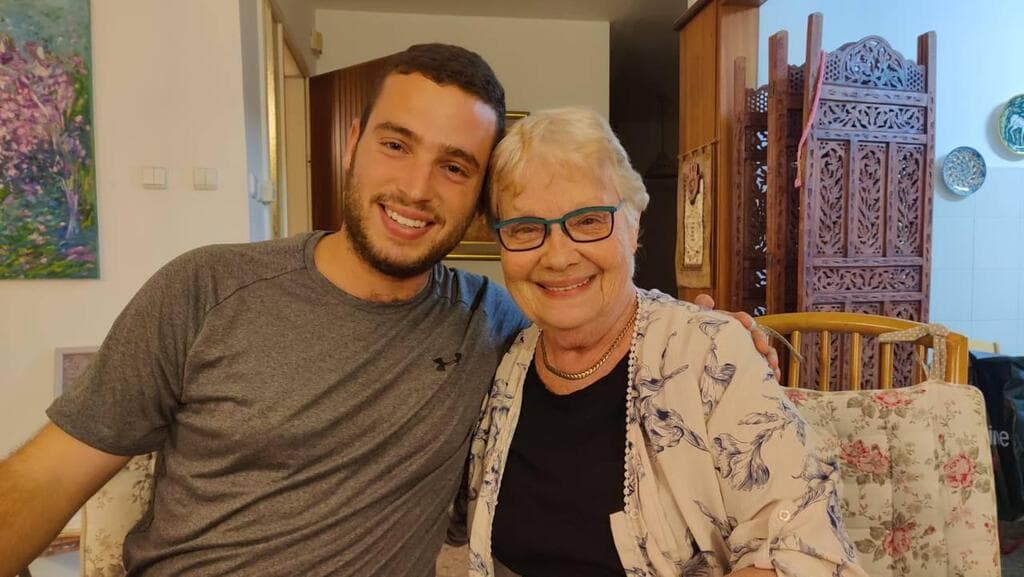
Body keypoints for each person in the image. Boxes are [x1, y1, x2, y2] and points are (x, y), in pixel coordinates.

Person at [0, 45, 773, 577]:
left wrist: (703, 333)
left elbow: (591, 317)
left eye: (454, 166)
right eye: (396, 145)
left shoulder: (491, 323)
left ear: (477, 203)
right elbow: (45, 476)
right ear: (353, 143)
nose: (415, 188)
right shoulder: (205, 288)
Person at [462, 107, 867, 577]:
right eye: (525, 229)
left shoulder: (710, 354)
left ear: (633, 223)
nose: (557, 257)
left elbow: (804, 552)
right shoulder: (503, 356)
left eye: (589, 221)